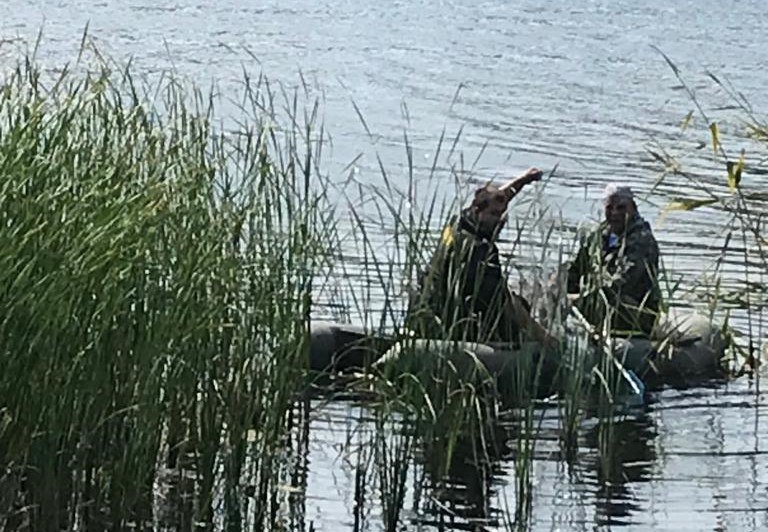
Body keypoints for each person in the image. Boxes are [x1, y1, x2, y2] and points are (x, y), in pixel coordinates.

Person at [408, 167, 554, 347]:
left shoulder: (459, 223)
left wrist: (523, 180)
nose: (499, 220)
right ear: (478, 211)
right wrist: (547, 340)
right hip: (455, 324)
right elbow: (505, 304)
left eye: (501, 214)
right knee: (518, 306)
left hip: (429, 307)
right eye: (494, 214)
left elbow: (498, 198)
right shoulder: (479, 250)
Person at [566, 184, 661, 336]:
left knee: (611, 300)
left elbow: (621, 284)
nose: (615, 213)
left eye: (621, 208)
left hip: (632, 312)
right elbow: (577, 268)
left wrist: (579, 300)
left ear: (633, 209)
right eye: (610, 208)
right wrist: (559, 286)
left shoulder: (642, 241)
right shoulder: (599, 235)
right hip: (597, 301)